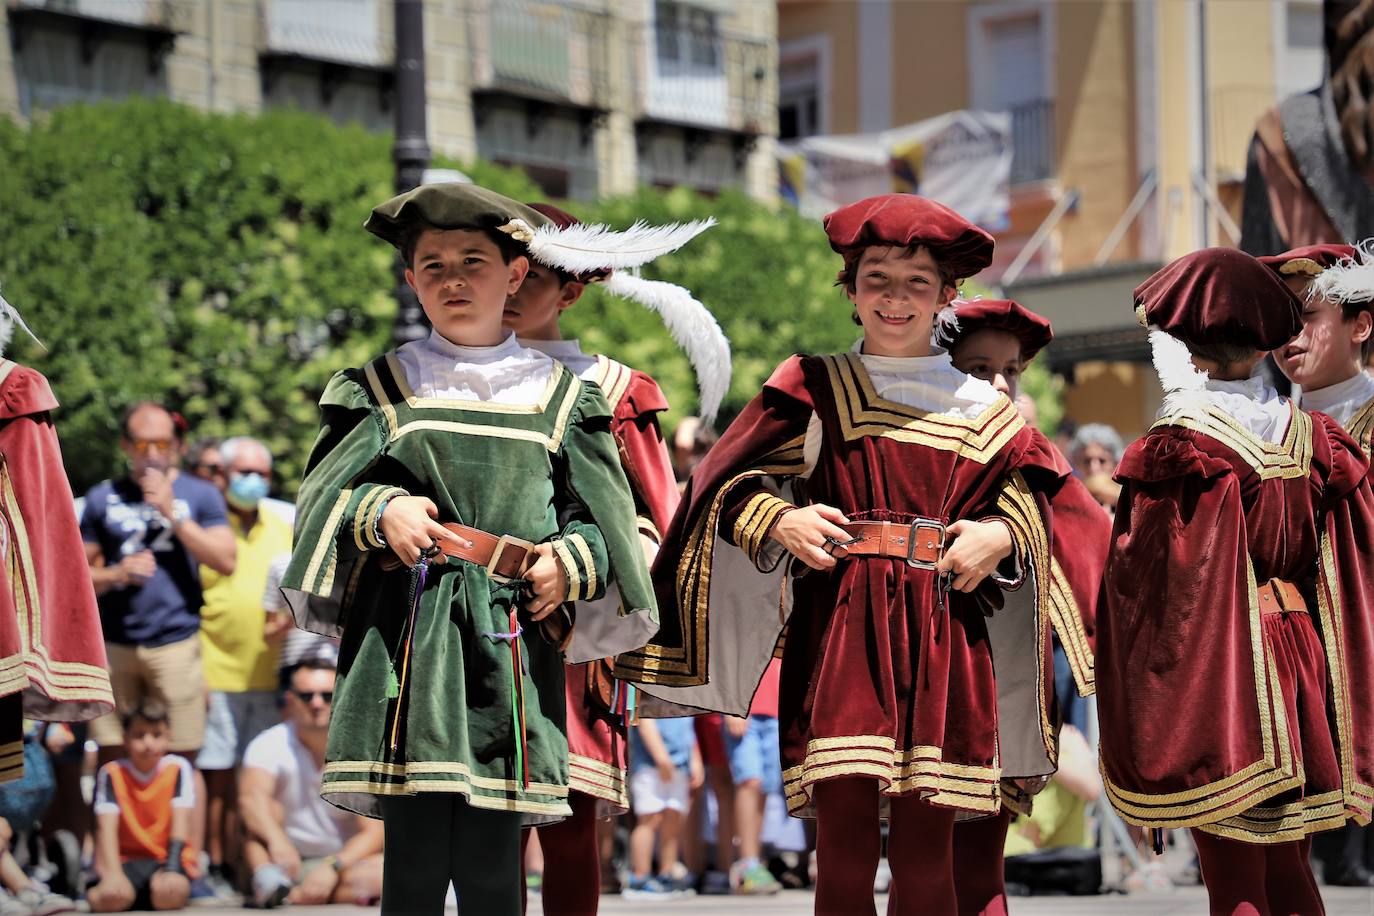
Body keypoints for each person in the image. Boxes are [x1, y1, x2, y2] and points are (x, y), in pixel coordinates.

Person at [618, 194, 1068, 916]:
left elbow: (1043, 505)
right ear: (851, 292)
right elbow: (720, 487)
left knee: (926, 860)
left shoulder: (985, 410)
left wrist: (1005, 534)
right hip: (842, 636)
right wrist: (781, 518)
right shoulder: (815, 385)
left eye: (917, 283)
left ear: (948, 296)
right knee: (846, 854)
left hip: (947, 641)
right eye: (877, 279)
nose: (896, 298)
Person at [278, 183, 703, 914]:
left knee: (490, 865)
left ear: (515, 275)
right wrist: (383, 509)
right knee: (410, 866)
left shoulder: (566, 398)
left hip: (509, 647)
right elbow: (319, 507)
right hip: (407, 647)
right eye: (433, 264)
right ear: (410, 280)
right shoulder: (380, 387)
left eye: (473, 261)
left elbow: (609, 527)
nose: (452, 279)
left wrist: (567, 564)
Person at [1098, 248, 1374, 915]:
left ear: (1189, 350)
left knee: (1235, 882)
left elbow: (1155, 597)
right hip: (1300, 656)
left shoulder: (1182, 444)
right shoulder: (1315, 437)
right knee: (1288, 871)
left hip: (1224, 668)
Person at [503, 200, 723, 915]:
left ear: (572, 289)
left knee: (569, 826)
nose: (509, 290)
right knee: (483, 826)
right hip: (471, 623)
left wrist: (586, 570)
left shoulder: (617, 390)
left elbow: (658, 520)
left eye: (529, 277)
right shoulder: (446, 380)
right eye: (497, 272)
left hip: (576, 634)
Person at [941, 298, 1112, 916]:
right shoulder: (911, 435)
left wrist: (1010, 533)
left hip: (1005, 671)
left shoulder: (1033, 449)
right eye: (978, 366)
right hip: (925, 663)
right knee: (920, 854)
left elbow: (1088, 531)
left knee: (984, 857)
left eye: (1010, 370)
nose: (997, 383)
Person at [1267, 242, 1374, 888]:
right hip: (1298, 683)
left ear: (1362, 324)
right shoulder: (1266, 426)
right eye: (1280, 320)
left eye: (1307, 316)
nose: (1290, 336)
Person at [81, 403, 235, 760]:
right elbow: (76, 577)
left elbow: (226, 560)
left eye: (162, 445)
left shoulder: (201, 494)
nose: (151, 454)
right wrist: (117, 573)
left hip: (175, 643)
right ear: (125, 445)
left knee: (182, 757)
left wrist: (173, 513)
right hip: (114, 646)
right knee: (112, 755)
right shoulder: (102, 497)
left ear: (178, 446)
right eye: (141, 444)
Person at [195, 436, 292, 895]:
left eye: (262, 473)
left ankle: (247, 867)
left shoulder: (284, 522)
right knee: (215, 779)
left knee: (256, 779)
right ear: (222, 475)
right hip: (214, 672)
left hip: (271, 674)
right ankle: (213, 865)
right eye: (243, 472)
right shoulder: (205, 525)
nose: (253, 481)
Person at [239, 659, 382, 908]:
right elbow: (250, 801)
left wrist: (333, 867)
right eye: (306, 696)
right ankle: (274, 882)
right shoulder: (268, 744)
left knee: (380, 874)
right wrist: (276, 840)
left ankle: (291, 896)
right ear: (290, 699)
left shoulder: (357, 749)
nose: (317, 704)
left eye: (327, 696)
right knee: (259, 821)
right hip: (284, 858)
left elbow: (373, 832)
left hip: (342, 864)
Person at [86, 701, 197, 913]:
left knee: (171, 893)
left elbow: (181, 823)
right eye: (139, 735)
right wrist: (113, 874)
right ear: (125, 739)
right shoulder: (111, 772)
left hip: (163, 861)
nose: (148, 743)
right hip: (124, 862)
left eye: (157, 735)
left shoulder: (178, 768)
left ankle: (148, 894)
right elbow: (106, 828)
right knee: (112, 897)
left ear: (168, 737)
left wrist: (172, 869)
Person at [722, 659, 784, 895]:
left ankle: (755, 861)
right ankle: (747, 863)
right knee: (749, 781)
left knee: (766, 787)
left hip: (776, 709)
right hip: (743, 708)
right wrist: (730, 705)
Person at [624, 717, 703, 899]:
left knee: (673, 820)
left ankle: (666, 875)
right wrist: (661, 758)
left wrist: (696, 760)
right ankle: (640, 878)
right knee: (649, 818)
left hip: (681, 764)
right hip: (650, 764)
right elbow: (645, 720)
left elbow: (688, 726)